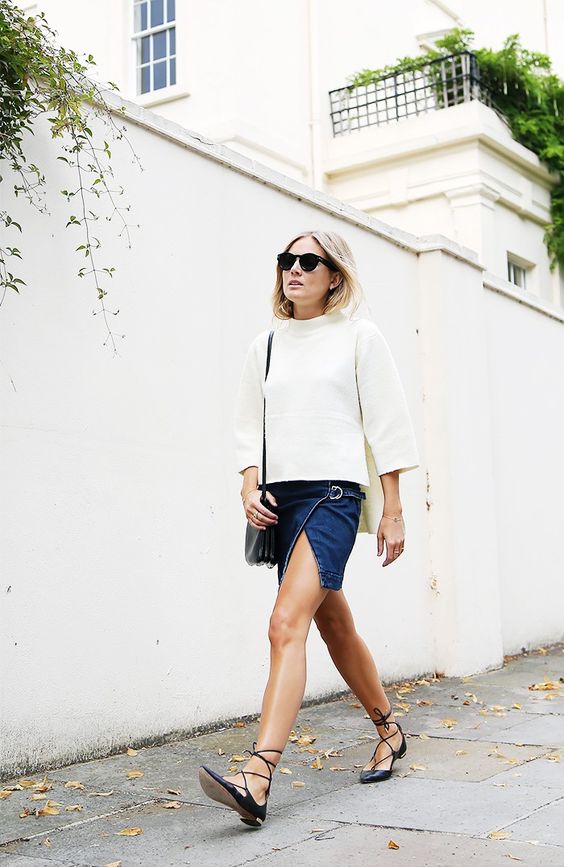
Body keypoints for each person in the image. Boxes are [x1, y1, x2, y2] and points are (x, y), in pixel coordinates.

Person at [198, 229, 420, 827]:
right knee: (334, 624)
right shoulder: (266, 345)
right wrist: (249, 487)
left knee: (284, 623)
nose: (293, 270)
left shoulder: (359, 336)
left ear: (334, 276)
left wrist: (393, 509)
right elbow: (248, 426)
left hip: (333, 496)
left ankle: (259, 773)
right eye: (286, 261)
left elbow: (387, 424)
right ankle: (390, 730)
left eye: (308, 261)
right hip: (282, 502)